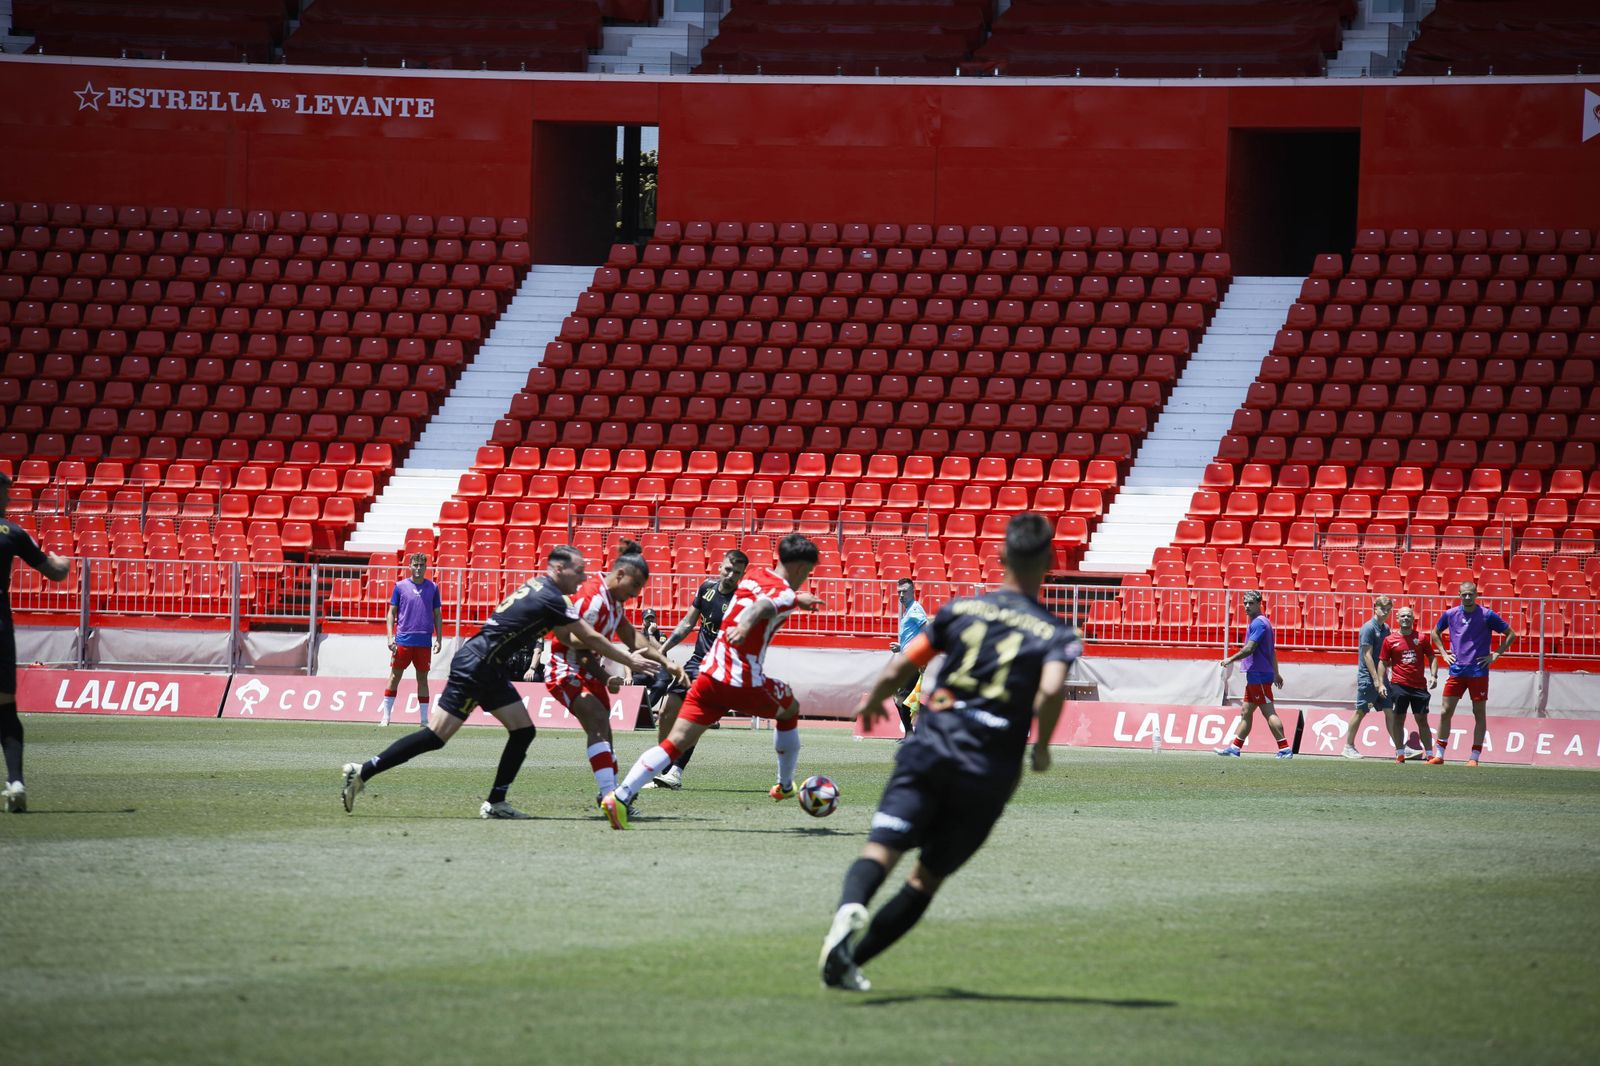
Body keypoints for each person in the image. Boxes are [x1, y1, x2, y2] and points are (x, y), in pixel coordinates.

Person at [818, 513, 1081, 992]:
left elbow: (906, 661)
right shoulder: (1055, 633)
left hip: (931, 745)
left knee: (882, 849)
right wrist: (1041, 748)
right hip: (989, 766)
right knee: (925, 880)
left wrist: (876, 699)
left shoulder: (960, 610)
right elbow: (1049, 693)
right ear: (1047, 564)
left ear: (1000, 557)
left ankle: (847, 910)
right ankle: (850, 961)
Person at [340, 546, 658, 819]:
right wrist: (629, 660)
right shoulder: (552, 597)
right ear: (558, 569)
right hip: (477, 665)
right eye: (579, 571)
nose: (584, 578)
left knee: (523, 731)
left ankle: (496, 802)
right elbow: (585, 636)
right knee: (437, 737)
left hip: (488, 665)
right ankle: (364, 771)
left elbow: (576, 636)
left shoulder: (539, 588)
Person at [600, 535, 822, 829]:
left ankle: (621, 796)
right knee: (790, 708)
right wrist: (752, 622)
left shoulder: (755, 575)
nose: (804, 580)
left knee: (673, 743)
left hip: (707, 676)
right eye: (806, 573)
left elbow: (762, 599)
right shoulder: (782, 594)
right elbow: (764, 606)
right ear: (799, 567)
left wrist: (794, 598)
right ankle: (783, 785)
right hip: (742, 681)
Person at [545, 550, 684, 808]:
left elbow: (633, 637)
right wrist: (614, 669)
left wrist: (666, 661)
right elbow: (577, 644)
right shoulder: (592, 598)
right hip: (564, 669)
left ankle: (614, 794)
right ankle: (612, 797)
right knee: (598, 720)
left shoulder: (614, 602)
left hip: (589, 671)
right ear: (620, 574)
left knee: (605, 734)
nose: (636, 594)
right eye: (634, 586)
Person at [642, 549, 749, 790]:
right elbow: (687, 623)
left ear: (743, 575)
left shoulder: (741, 601)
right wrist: (662, 650)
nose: (731, 575)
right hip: (696, 661)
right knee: (668, 714)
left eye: (737, 573)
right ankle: (664, 768)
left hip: (718, 665)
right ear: (720, 566)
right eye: (728, 569)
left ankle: (675, 772)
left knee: (691, 718)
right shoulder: (706, 589)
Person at [0, 472, 73, 813]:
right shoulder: (11, 533)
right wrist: (64, 562)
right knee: (5, 708)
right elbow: (54, 572)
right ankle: (15, 782)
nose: (9, 501)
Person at [1429, 582, 1516, 767]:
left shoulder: (1487, 615)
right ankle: (1439, 754)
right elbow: (1434, 632)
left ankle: (1474, 757)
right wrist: (1444, 654)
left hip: (1478, 671)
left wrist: (1496, 654)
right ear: (1459, 595)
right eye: (1464, 595)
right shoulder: (1451, 614)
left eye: (1471, 594)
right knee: (1445, 712)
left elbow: (1511, 634)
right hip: (1457, 670)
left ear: (1476, 594)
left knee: (1478, 713)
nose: (1467, 598)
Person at [1214, 590, 1292, 759]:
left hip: (1259, 675)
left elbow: (1250, 648)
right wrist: (1276, 673)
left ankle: (1285, 749)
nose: (1247, 606)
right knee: (1246, 712)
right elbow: (1272, 652)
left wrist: (1230, 659)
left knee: (1268, 712)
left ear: (1259, 603)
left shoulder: (1259, 623)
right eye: (1245, 603)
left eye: (1251, 603)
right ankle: (1235, 748)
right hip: (1257, 674)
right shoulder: (1263, 622)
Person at [380, 553, 443, 727]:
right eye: (415, 565)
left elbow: (437, 615)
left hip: (424, 642)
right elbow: (391, 613)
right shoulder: (400, 587)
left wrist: (439, 639)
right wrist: (390, 637)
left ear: (426, 567)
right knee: (394, 677)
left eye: (421, 565)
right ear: (409, 566)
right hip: (403, 640)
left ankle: (424, 720)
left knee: (422, 679)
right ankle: (386, 717)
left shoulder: (433, 588)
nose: (418, 568)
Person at [1379, 606, 1440, 764]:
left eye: (1408, 616)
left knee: (1422, 720)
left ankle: (1429, 754)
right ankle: (1400, 754)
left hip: (1419, 686)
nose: (1405, 618)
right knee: (1399, 719)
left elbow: (1432, 657)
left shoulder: (1421, 638)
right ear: (1397, 619)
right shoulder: (1389, 640)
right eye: (1402, 616)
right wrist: (1380, 683)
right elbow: (1383, 662)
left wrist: (1434, 675)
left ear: (1413, 619)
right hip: (1399, 685)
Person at [1341, 596, 1392, 759]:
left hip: (1382, 679)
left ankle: (1400, 747)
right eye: (1382, 608)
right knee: (1361, 711)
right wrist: (1376, 680)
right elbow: (1367, 656)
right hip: (1369, 679)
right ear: (1375, 608)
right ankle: (1348, 746)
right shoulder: (1368, 628)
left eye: (1388, 609)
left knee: (1390, 710)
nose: (1385, 612)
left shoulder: (1386, 628)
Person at [888, 577, 928, 737]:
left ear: (913, 591)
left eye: (905, 591)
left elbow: (928, 631)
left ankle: (912, 734)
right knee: (904, 698)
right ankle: (911, 734)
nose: (901, 595)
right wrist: (900, 647)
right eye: (899, 592)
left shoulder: (915, 610)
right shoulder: (908, 610)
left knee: (900, 696)